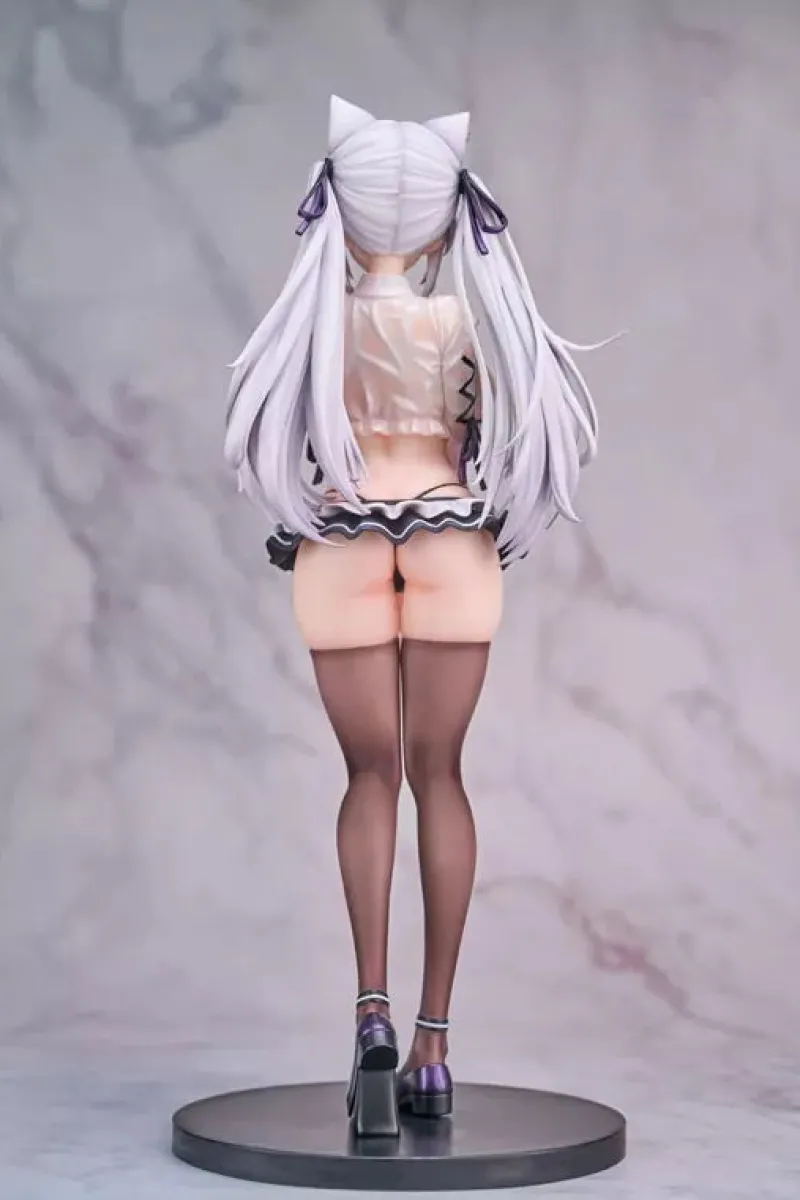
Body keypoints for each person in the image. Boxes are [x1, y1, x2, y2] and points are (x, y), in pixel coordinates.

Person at [225, 95, 605, 1136]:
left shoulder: (311, 331)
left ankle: (372, 1015)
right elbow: (490, 440)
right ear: (444, 223)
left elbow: (287, 444)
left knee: (368, 777)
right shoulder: (467, 325)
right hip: (450, 541)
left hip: (341, 543)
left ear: (338, 214)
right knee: (441, 776)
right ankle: (434, 1048)